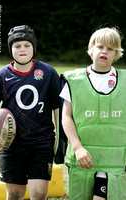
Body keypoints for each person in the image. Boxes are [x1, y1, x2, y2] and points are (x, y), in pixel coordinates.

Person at [0, 25, 60, 200]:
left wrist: (60, 139)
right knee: (15, 193)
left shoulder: (48, 72)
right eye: (17, 46)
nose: (22, 49)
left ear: (34, 47)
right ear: (10, 48)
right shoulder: (0, 76)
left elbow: (57, 107)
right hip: (12, 143)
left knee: (38, 193)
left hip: (42, 141)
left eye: (27, 45)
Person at [59, 27, 126, 200]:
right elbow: (66, 117)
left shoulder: (124, 80)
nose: (104, 51)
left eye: (110, 48)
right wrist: (77, 147)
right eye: (100, 47)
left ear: (116, 53)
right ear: (91, 49)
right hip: (83, 158)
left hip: (116, 159)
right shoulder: (75, 80)